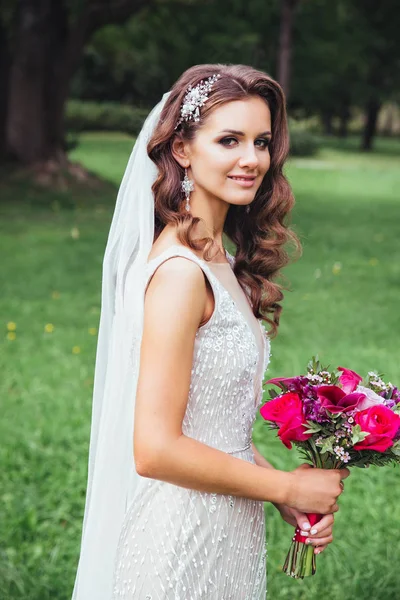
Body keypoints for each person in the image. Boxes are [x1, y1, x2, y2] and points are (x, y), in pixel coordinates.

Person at [71, 64, 349, 600]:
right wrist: (286, 484)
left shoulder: (215, 256)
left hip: (223, 521)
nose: (252, 159)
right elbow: (154, 448)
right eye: (229, 140)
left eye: (262, 142)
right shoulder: (180, 273)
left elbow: (209, 425)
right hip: (180, 538)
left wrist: (279, 496)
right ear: (181, 149)